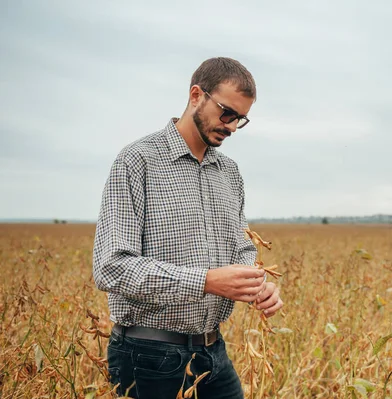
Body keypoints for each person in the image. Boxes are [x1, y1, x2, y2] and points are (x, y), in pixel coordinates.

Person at [93, 57, 283, 399]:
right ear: (196, 95)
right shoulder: (137, 161)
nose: (232, 126)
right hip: (146, 355)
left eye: (241, 119)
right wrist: (207, 281)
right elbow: (111, 268)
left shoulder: (230, 173)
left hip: (213, 351)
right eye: (227, 113)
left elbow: (240, 249)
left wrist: (258, 284)